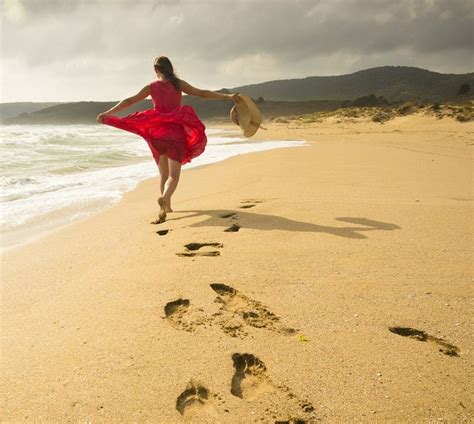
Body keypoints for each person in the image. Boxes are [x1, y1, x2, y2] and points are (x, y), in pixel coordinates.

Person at [97, 56, 240, 223]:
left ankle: (167, 208)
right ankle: (165, 198)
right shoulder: (178, 84)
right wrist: (227, 96)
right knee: (173, 176)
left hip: (157, 135)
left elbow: (129, 101)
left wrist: (108, 113)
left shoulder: (151, 87)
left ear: (156, 70)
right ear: (170, 68)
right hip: (175, 136)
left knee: (163, 174)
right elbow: (202, 93)